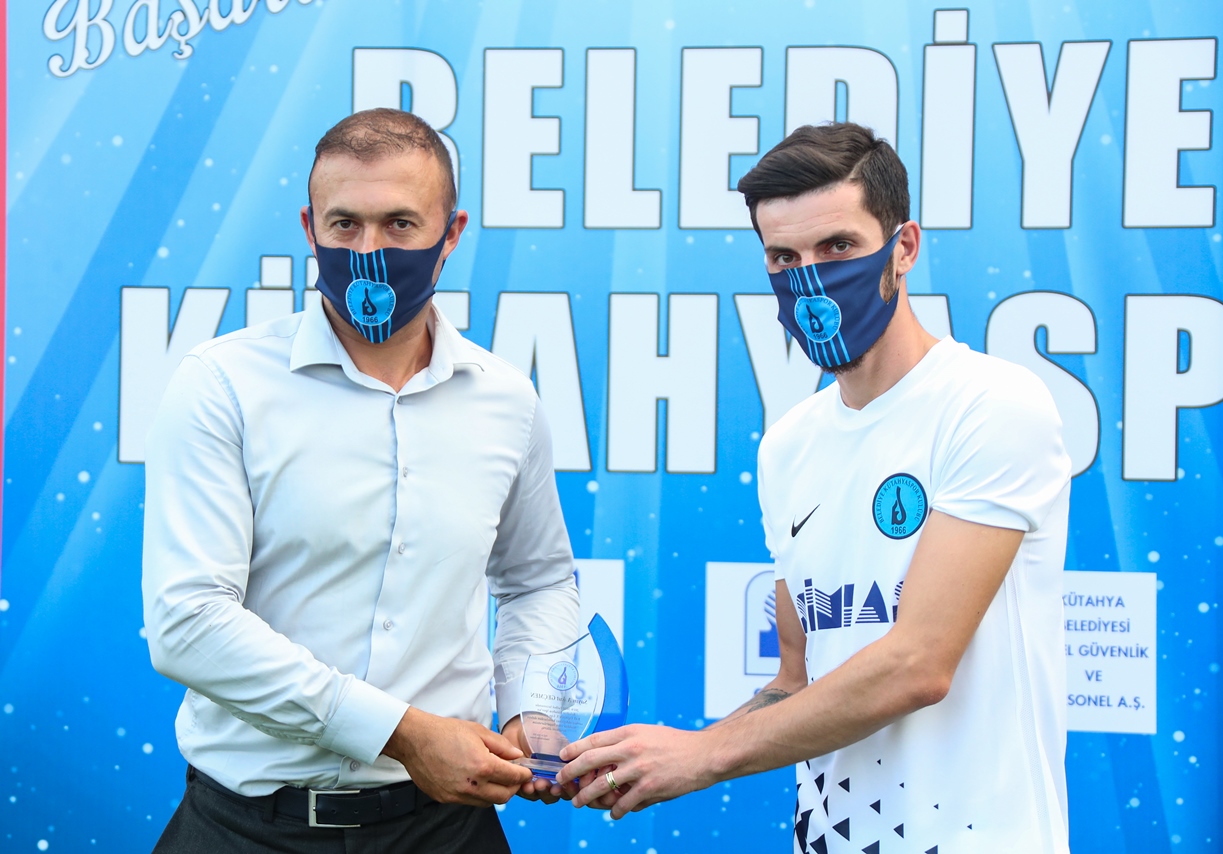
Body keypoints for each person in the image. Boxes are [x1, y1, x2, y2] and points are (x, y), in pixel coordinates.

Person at [558, 123, 1073, 854]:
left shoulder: (990, 404)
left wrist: (702, 756)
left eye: (837, 247)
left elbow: (919, 664)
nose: (810, 278)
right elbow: (796, 679)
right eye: (784, 257)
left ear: (904, 247)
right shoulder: (790, 444)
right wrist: (645, 759)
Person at [142, 108, 578, 853]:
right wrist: (402, 733)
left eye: (400, 224)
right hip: (247, 831)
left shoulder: (506, 399)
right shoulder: (222, 385)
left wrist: (530, 707)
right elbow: (187, 623)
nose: (369, 250)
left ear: (451, 233)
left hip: (446, 830)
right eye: (345, 224)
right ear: (309, 228)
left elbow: (537, 580)